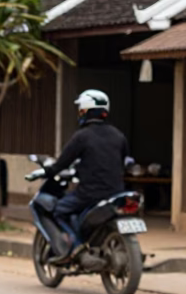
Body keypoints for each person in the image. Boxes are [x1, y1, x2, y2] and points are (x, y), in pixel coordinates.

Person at [46, 90, 128, 259]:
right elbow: (124, 161)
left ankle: (76, 246)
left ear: (86, 110)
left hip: (89, 194)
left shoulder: (82, 136)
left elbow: (62, 163)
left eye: (81, 109)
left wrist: (49, 171)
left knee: (58, 210)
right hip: (117, 192)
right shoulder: (119, 136)